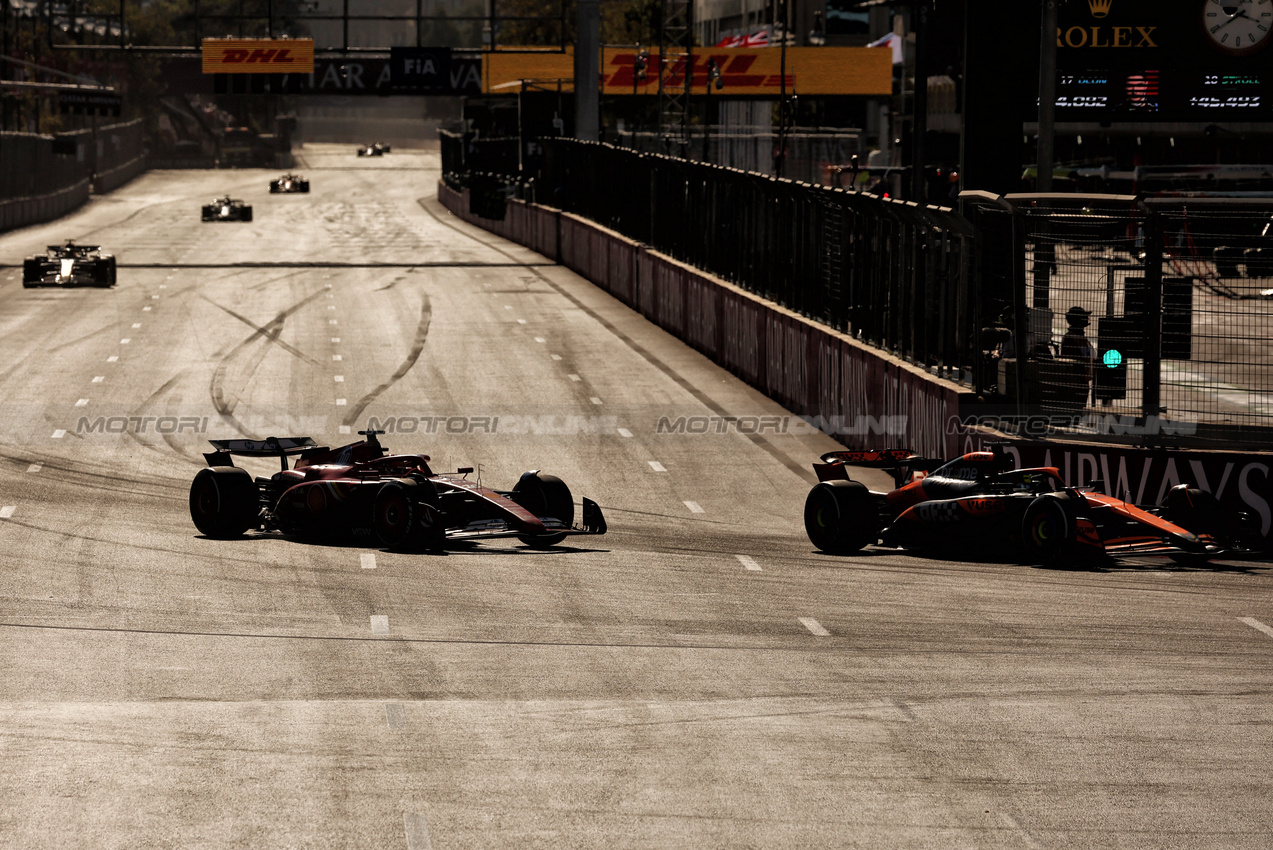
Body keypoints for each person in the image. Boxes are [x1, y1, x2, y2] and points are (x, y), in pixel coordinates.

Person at [1060, 305, 1096, 385]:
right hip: (1076, 381)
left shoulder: (1075, 338)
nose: (1087, 319)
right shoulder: (1072, 339)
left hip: (1080, 380)